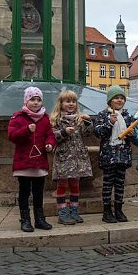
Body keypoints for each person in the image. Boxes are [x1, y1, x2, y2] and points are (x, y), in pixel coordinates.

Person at [7, 86, 56, 232]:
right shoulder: (18, 117)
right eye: (32, 100)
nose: (35, 103)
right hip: (24, 162)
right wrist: (26, 130)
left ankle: (40, 219)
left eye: (38, 100)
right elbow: (12, 135)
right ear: (26, 101)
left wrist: (49, 144)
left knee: (38, 192)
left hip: (39, 161)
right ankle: (25, 219)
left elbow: (50, 135)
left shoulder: (45, 118)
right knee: (24, 192)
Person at [49, 89, 93, 225]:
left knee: (75, 184)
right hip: (64, 157)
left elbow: (88, 134)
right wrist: (64, 132)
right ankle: (62, 213)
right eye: (68, 101)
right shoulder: (56, 119)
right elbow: (51, 136)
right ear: (61, 103)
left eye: (73, 101)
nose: (71, 104)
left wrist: (88, 122)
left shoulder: (79, 118)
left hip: (77, 157)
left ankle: (74, 211)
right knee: (62, 185)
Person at [93, 86, 136, 223]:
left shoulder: (127, 116)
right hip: (108, 155)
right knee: (107, 183)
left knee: (120, 183)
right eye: (116, 98)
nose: (120, 100)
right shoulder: (102, 115)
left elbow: (133, 137)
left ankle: (118, 209)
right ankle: (107, 210)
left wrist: (132, 135)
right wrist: (110, 123)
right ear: (110, 100)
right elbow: (99, 133)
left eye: (122, 98)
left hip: (123, 154)